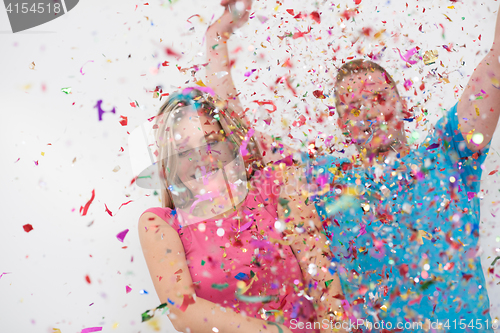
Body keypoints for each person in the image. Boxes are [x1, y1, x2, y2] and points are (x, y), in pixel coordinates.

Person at [136, 2, 347, 332]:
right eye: (184, 151)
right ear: (169, 168)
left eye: (210, 142)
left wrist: (217, 34)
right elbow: (182, 309)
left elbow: (321, 273)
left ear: (228, 146)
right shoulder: (160, 225)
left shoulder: (273, 187)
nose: (201, 158)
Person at [305, 6, 500, 332]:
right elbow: (238, 150)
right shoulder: (325, 182)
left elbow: (496, 61)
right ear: (342, 125)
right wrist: (218, 38)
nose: (368, 112)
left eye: (379, 98)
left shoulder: (447, 152)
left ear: (402, 105)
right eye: (354, 107)